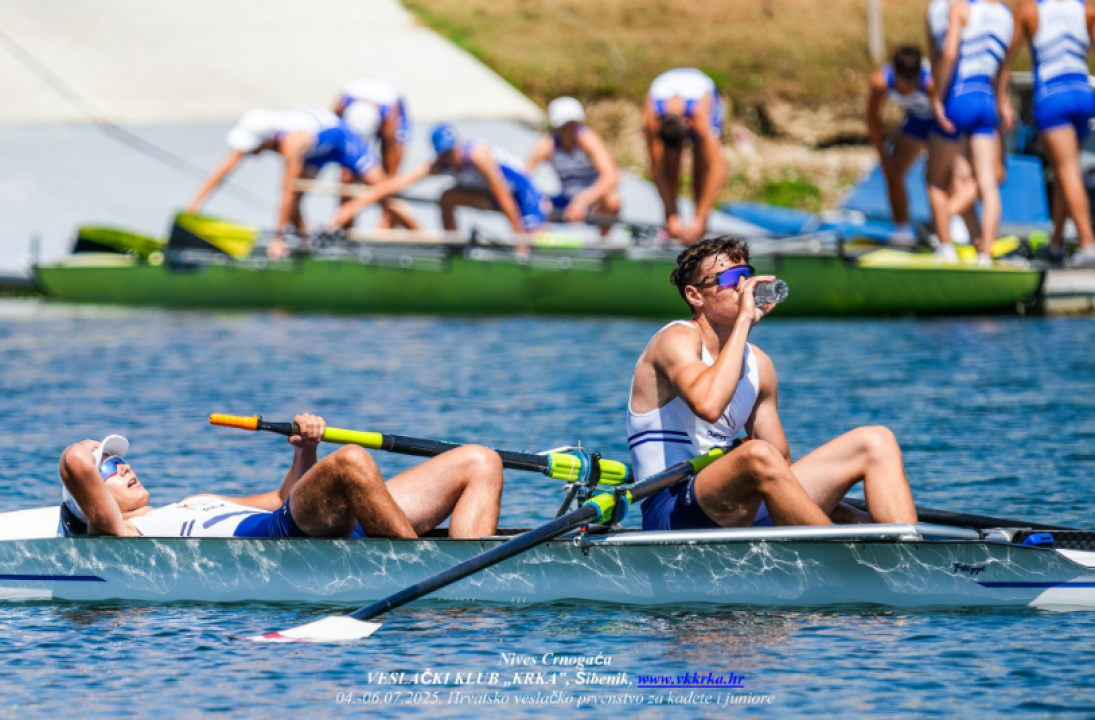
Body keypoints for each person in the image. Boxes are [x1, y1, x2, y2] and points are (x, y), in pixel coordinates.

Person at [627, 236, 917, 531]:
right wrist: (744, 321)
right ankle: (835, 556)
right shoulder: (675, 339)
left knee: (876, 440)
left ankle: (910, 555)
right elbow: (709, 405)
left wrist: (846, 514)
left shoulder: (759, 365)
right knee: (756, 453)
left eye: (747, 276)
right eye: (730, 279)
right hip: (672, 510)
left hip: (738, 505)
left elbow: (782, 471)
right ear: (695, 295)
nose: (743, 287)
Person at [57, 414, 503, 539]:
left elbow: (284, 495)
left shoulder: (191, 500)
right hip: (281, 535)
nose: (124, 466)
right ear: (91, 499)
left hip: (311, 517)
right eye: (110, 467)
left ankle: (478, 580)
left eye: (121, 459)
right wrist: (88, 462)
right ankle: (420, 569)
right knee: (350, 460)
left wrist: (306, 450)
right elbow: (77, 461)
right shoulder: (121, 533)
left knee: (479, 459)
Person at [186, 108, 417, 258]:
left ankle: (422, 237)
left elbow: (287, 190)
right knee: (295, 202)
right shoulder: (261, 129)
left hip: (342, 140)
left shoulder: (291, 143)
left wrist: (277, 238)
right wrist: (193, 208)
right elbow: (222, 171)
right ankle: (307, 246)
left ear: (266, 141)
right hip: (315, 150)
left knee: (384, 195)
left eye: (253, 147)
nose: (251, 152)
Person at [999, 0, 1095, 267]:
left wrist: (1003, 100)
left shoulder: (1030, 9)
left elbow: (1005, 59)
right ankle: (1055, 244)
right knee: (1067, 170)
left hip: (1053, 95)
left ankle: (1088, 244)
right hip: (1082, 92)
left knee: (1066, 170)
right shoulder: (1087, 8)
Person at [327, 124, 546, 239]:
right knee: (447, 197)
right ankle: (455, 249)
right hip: (491, 196)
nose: (451, 158)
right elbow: (394, 185)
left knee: (531, 240)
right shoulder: (439, 164)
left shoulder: (477, 155)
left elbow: (503, 194)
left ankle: (533, 239)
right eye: (445, 154)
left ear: (457, 144)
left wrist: (519, 240)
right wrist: (351, 208)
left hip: (522, 193)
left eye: (452, 151)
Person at [930, 0, 1014, 266]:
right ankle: (985, 253)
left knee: (935, 179)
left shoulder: (960, 8)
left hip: (959, 96)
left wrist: (937, 97)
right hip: (986, 101)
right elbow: (1003, 69)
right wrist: (1003, 101)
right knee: (987, 183)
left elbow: (950, 54)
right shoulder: (1005, 15)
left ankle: (943, 245)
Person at [642, 69, 728, 245]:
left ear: (687, 124)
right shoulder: (651, 120)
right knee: (669, 166)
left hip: (701, 93)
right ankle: (673, 225)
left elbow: (718, 169)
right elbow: (657, 169)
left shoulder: (698, 117)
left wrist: (699, 218)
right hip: (667, 90)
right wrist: (671, 215)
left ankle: (700, 229)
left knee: (701, 169)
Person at [866, 46, 939, 242]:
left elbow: (947, 116)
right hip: (916, 120)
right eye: (903, 79)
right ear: (894, 72)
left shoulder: (930, 83)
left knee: (938, 175)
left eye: (912, 79)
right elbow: (872, 121)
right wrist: (884, 157)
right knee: (893, 171)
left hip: (941, 121)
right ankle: (902, 232)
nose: (908, 84)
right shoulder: (881, 82)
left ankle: (948, 225)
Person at [526, 97, 621, 237]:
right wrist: (537, 197)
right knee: (538, 204)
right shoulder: (548, 143)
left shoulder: (588, 138)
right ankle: (540, 246)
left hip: (593, 201)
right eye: (564, 125)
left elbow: (612, 177)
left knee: (613, 200)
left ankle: (603, 244)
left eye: (573, 124)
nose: (569, 129)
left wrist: (583, 200)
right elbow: (524, 174)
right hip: (565, 199)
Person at [332, 78, 417, 230]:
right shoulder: (342, 104)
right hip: (364, 118)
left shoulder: (391, 113)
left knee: (388, 181)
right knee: (346, 176)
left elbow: (391, 150)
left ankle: (386, 230)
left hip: (392, 119)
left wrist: (382, 182)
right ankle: (345, 230)